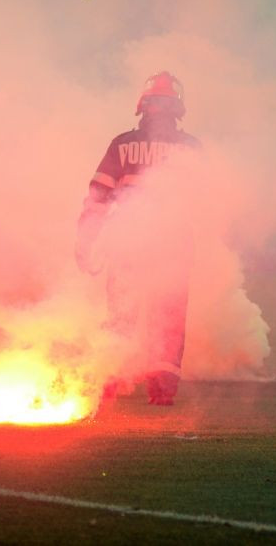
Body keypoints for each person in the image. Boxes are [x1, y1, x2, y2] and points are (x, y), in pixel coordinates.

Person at [76, 71, 200, 406]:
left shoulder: (122, 144)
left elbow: (98, 195)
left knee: (121, 314)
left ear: (142, 107)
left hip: (127, 241)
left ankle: (110, 381)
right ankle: (162, 388)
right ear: (179, 109)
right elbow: (206, 197)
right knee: (170, 314)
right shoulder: (190, 147)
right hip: (173, 243)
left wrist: (86, 237)